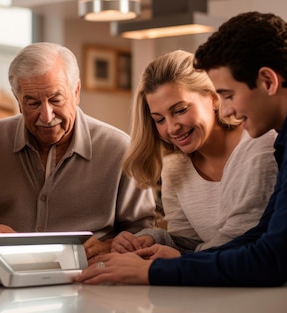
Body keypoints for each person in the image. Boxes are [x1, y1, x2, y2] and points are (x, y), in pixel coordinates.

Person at [75, 11, 287, 309]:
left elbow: (271, 261)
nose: (227, 110)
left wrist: (152, 272)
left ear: (267, 81)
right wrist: (177, 261)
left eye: (227, 94)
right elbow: (261, 235)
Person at [0, 42, 156, 262]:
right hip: (1, 278)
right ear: (18, 100)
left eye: (56, 100)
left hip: (91, 281)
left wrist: (107, 246)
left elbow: (143, 232)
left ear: (76, 92)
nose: (47, 115)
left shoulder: (120, 149)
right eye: (32, 103)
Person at [111, 50, 278, 257]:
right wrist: (149, 240)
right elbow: (189, 242)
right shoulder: (174, 166)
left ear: (213, 98)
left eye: (180, 110)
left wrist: (179, 260)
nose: (172, 128)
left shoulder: (258, 144)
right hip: (217, 283)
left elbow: (240, 241)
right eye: (159, 119)